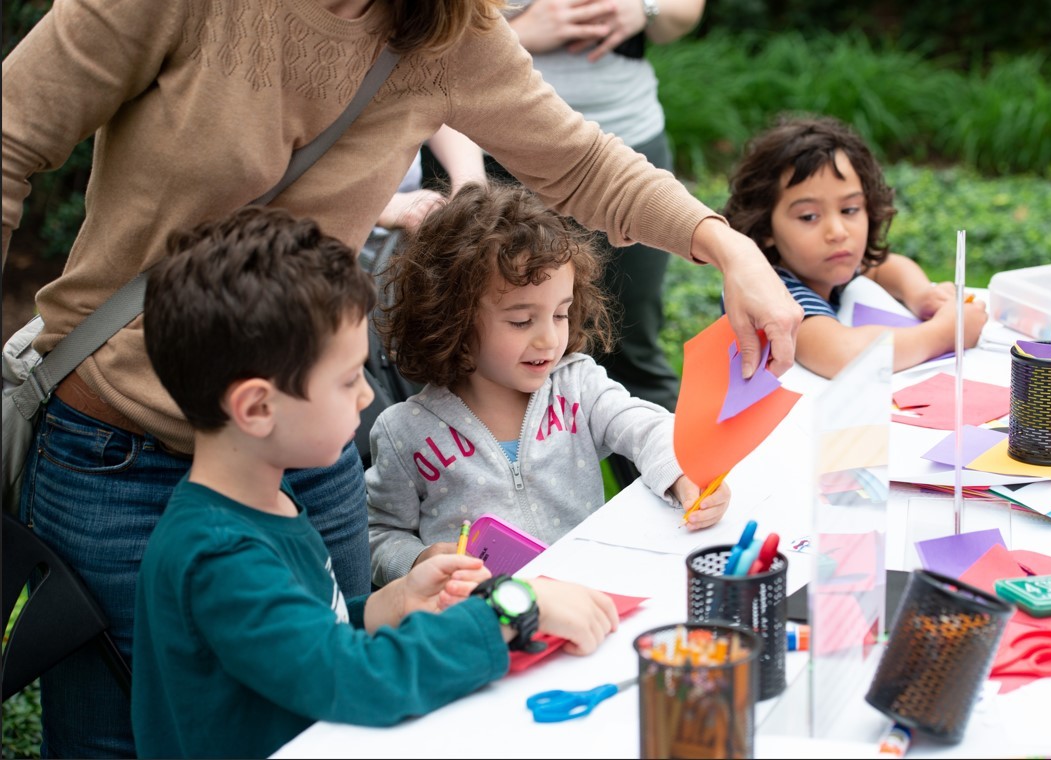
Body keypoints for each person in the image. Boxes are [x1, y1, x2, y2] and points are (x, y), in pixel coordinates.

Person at [2, 2, 798, 754]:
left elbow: (581, 161)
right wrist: (506, 615)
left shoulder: (446, 27)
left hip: (304, 452)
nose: (374, 398)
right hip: (118, 450)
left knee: (330, 730)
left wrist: (727, 246)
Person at [133, 205, 619, 759]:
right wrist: (511, 606)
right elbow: (349, 678)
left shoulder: (263, 501)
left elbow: (310, 639)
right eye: (347, 381)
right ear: (258, 407)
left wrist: (391, 603)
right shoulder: (220, 557)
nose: (367, 397)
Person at [366, 182, 732, 586]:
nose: (549, 339)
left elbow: (644, 426)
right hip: (490, 622)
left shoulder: (577, 386)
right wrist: (418, 560)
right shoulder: (403, 433)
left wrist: (684, 474)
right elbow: (377, 534)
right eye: (522, 321)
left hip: (589, 594)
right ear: (452, 319)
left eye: (560, 314)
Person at [494, 0, 706, 486]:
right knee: (506, 356)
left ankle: (684, 499)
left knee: (631, 347)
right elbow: (428, 45)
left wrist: (646, 11)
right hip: (504, 155)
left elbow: (686, 11)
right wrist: (515, 33)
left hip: (629, 140)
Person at [722, 113, 988, 378]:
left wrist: (920, 294)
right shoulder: (776, 294)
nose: (837, 232)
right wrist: (945, 332)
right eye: (809, 216)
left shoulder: (821, 265)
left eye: (849, 209)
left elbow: (885, 266)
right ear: (765, 226)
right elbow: (843, 355)